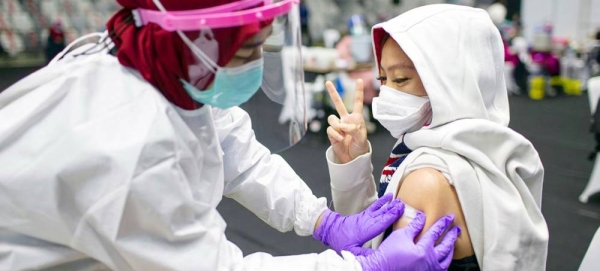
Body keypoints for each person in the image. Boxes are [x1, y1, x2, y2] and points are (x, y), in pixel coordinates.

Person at [0, 0, 460, 270]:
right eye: (248, 50)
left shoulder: (159, 68)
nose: (259, 64)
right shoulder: (128, 147)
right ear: (192, 45)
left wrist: (319, 219)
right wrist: (361, 269)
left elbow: (234, 149)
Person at [324, 4, 549, 271]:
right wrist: (354, 164)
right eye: (383, 79)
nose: (386, 94)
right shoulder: (490, 150)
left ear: (450, 81)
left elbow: (367, 248)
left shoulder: (427, 178)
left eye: (400, 79)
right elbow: (371, 240)